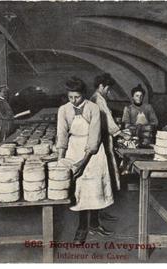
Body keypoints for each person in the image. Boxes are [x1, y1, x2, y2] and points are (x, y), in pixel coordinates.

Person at [56, 77, 114, 244]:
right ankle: (82, 228)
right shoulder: (64, 110)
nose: (74, 101)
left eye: (77, 97)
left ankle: (94, 225)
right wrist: (61, 161)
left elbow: (94, 136)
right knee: (80, 190)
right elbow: (62, 135)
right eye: (70, 97)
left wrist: (84, 161)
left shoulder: (93, 108)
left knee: (94, 188)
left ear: (84, 95)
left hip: (93, 151)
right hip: (74, 148)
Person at [90, 73, 131, 222]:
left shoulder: (97, 98)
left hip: (102, 141)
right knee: (102, 179)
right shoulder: (98, 99)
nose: (108, 92)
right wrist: (121, 133)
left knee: (103, 179)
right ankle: (96, 218)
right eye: (107, 89)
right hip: (100, 143)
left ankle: (101, 212)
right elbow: (107, 120)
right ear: (101, 86)